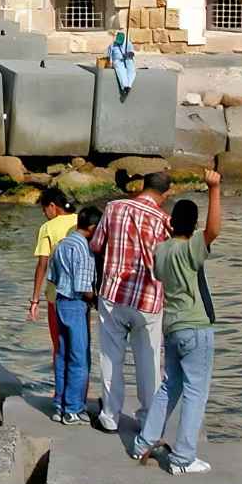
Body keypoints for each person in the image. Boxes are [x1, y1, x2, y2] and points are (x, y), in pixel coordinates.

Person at [133, 170, 223, 475]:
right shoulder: (191, 248)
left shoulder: (162, 250)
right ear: (193, 226)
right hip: (195, 327)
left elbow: (157, 274)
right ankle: (183, 457)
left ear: (171, 223)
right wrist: (214, 189)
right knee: (196, 392)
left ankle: (144, 442)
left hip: (171, 327)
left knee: (169, 387)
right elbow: (214, 230)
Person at [89, 172, 173, 432]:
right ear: (166, 193)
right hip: (148, 299)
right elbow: (170, 261)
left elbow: (96, 245)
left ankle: (110, 416)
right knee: (149, 364)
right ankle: (149, 421)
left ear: (142, 187)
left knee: (111, 357)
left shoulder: (113, 207)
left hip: (113, 293)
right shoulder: (164, 220)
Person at [47, 204, 103, 425]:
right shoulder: (84, 250)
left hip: (59, 302)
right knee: (79, 359)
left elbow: (52, 276)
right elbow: (83, 287)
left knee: (62, 355)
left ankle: (60, 405)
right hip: (75, 304)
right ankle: (73, 409)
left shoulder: (62, 244)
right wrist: (97, 301)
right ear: (92, 227)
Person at [26, 189, 77, 361]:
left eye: (44, 209)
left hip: (56, 295)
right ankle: (80, 387)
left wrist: (34, 300)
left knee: (59, 347)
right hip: (82, 294)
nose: (43, 213)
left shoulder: (47, 227)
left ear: (53, 206)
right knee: (78, 347)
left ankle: (59, 387)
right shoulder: (81, 220)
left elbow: (42, 265)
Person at [107, 32, 136, 99]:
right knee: (120, 70)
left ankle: (129, 85)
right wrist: (110, 63)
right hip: (117, 60)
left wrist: (127, 55)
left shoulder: (128, 43)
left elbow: (132, 53)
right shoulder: (112, 45)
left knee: (131, 70)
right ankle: (124, 86)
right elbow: (109, 56)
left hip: (127, 59)